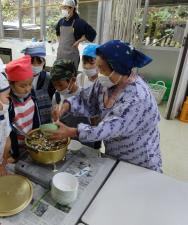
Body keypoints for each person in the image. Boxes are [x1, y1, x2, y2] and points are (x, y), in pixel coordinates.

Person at [52, 40, 162, 172]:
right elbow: (87, 98)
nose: (99, 72)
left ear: (118, 68)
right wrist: (66, 106)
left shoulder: (137, 98)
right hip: (114, 151)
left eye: (102, 68)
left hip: (139, 157)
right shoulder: (106, 82)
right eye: (98, 67)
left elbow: (108, 128)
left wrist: (72, 131)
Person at [50, 59, 99, 149]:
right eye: (54, 85)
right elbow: (56, 122)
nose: (58, 88)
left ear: (73, 79)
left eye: (60, 85)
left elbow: (95, 124)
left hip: (85, 142)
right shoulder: (56, 96)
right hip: (65, 141)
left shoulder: (86, 96)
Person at [5, 55, 41, 159]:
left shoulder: (31, 95)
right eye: (22, 86)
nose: (27, 89)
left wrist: (36, 137)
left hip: (30, 141)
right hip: (15, 146)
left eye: (30, 84)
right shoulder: (9, 104)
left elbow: (36, 117)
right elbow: (9, 132)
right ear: (11, 84)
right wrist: (14, 154)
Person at [56, 0, 96, 69]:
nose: (63, 10)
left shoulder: (79, 22)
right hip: (60, 55)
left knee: (70, 77)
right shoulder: (61, 21)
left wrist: (78, 41)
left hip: (71, 57)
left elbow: (92, 33)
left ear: (72, 8)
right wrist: (61, 43)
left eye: (65, 8)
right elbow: (57, 33)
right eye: (63, 8)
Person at [21, 42, 55, 124]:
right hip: (26, 122)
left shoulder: (48, 79)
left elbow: (53, 99)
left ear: (44, 62)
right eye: (32, 62)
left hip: (46, 122)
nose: (35, 66)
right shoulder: (20, 79)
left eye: (39, 62)